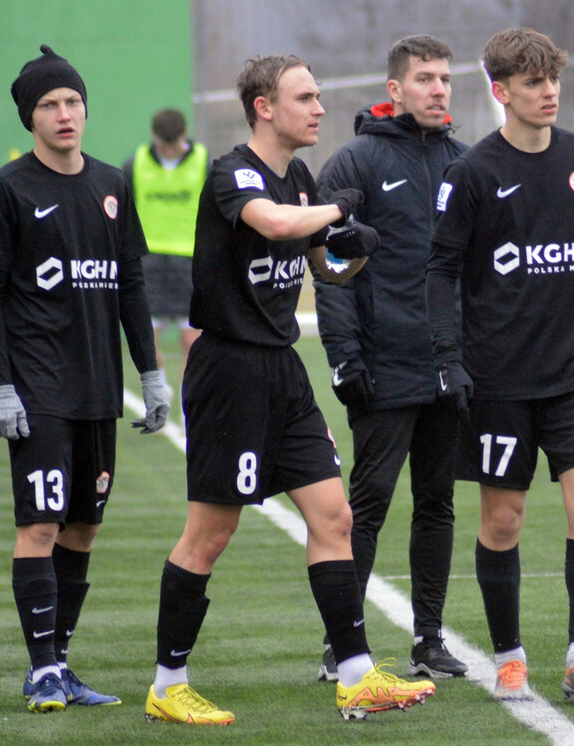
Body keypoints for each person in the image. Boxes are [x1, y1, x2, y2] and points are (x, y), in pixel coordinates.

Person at [143, 53, 434, 726]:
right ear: (264, 107)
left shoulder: (300, 176)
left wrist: (353, 246)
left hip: (281, 368)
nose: (319, 108)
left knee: (334, 516)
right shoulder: (233, 172)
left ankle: (357, 675)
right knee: (210, 535)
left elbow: (324, 269)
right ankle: (167, 684)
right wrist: (339, 208)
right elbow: (273, 224)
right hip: (228, 371)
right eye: (304, 97)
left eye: (319, 96)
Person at [426, 28, 574, 706]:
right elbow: (441, 268)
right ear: (501, 91)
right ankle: (510, 658)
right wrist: (448, 358)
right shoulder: (474, 173)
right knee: (504, 522)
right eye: (531, 83)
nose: (547, 92)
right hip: (498, 379)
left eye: (553, 80)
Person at [0, 45, 170, 713]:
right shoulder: (4, 190)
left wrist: (152, 374)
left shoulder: (111, 184)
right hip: (37, 390)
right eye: (50, 105)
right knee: (42, 526)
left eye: (73, 103)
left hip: (97, 390)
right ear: (31, 117)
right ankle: (43, 671)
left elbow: (131, 284)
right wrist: (1, 385)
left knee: (83, 528)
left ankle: (59, 664)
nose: (64, 114)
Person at [313, 34, 468, 682]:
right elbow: (328, 265)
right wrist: (345, 357)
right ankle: (342, 648)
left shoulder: (466, 162)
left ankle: (428, 641)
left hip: (449, 369)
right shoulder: (356, 162)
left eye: (445, 79)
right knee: (367, 503)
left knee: (437, 502)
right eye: (425, 78)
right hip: (384, 364)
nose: (438, 89)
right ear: (395, 89)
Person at [122, 108, 207, 387]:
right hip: (149, 262)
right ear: (153, 137)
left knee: (191, 342)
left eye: (174, 145)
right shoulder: (135, 165)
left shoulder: (204, 163)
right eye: (163, 146)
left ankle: (187, 404)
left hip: (189, 261)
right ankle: (158, 390)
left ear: (186, 134)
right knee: (147, 338)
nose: (169, 151)